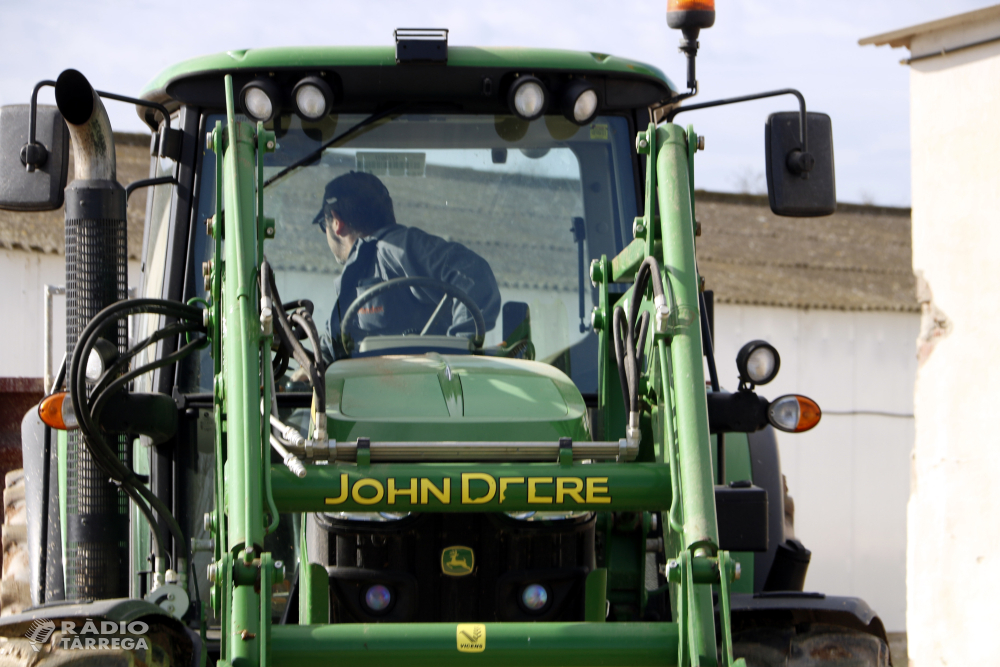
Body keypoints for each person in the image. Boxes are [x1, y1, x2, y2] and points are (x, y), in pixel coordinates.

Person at [313, 171, 501, 356]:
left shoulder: (397, 248)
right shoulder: (361, 269)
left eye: (324, 225)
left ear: (336, 222)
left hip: (422, 382)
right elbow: (344, 338)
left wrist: (458, 349)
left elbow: (474, 276)